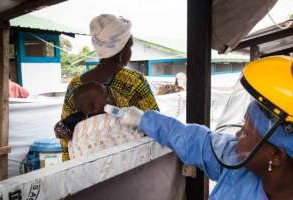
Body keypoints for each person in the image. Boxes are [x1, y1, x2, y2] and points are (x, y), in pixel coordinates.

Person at [117, 56, 293, 199]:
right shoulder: (236, 160)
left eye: (246, 132)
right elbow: (195, 139)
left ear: (277, 155)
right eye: (242, 126)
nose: (238, 134)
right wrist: (144, 119)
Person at [59, 14, 159, 161]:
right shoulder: (134, 81)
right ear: (120, 50)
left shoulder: (75, 85)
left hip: (83, 168)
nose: (130, 52)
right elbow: (155, 124)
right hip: (127, 167)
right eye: (129, 46)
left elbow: (65, 138)